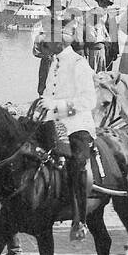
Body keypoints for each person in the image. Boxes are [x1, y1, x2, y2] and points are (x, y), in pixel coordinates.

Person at [38, 31, 98, 243]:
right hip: (52, 120)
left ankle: (79, 219)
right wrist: (42, 103)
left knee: (78, 163)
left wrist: (56, 106)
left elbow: (89, 101)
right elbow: (47, 91)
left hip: (76, 123)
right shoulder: (53, 62)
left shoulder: (79, 64)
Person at [33, 0, 70, 95]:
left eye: (58, 10)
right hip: (47, 60)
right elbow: (36, 50)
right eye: (54, 9)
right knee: (44, 83)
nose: (56, 12)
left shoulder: (65, 25)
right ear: (51, 10)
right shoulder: (45, 23)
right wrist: (45, 55)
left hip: (61, 61)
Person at [84, 0, 118, 72]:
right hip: (94, 49)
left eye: (106, 3)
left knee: (107, 72)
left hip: (108, 51)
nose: (104, 5)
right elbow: (85, 32)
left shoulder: (111, 18)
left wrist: (115, 50)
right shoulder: (90, 15)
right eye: (102, 2)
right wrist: (85, 47)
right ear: (98, 3)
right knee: (93, 72)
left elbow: (114, 35)